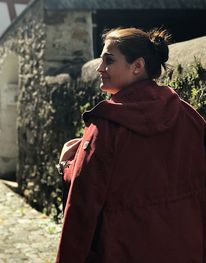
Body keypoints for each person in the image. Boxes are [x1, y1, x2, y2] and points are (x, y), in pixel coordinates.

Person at [55, 27, 206, 262]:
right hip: (185, 248)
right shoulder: (188, 115)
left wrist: (66, 164)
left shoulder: (104, 128)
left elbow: (82, 208)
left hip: (124, 249)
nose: (99, 68)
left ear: (137, 66)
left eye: (109, 60)